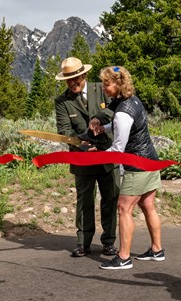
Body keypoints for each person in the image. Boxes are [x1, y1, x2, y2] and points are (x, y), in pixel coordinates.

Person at [89, 66, 164, 270]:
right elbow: (125, 127)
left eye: (107, 83)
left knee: (124, 208)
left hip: (137, 166)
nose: (104, 88)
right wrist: (103, 129)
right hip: (151, 162)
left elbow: (118, 150)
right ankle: (157, 250)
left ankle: (123, 257)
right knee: (148, 206)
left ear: (119, 84)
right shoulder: (133, 101)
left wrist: (95, 156)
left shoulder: (122, 112)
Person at [55, 57, 119, 257]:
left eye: (75, 78)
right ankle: (83, 242)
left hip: (108, 155)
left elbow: (115, 109)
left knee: (110, 198)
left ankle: (109, 241)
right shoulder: (62, 102)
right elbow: (64, 130)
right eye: (68, 79)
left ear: (83, 75)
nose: (72, 82)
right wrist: (81, 145)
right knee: (84, 202)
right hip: (82, 158)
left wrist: (99, 117)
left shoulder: (101, 88)